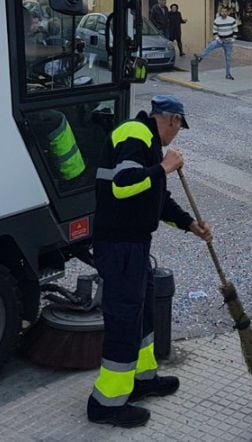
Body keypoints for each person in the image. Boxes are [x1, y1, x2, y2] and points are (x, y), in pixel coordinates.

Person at [88, 95, 212, 428]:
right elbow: (123, 186)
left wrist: (190, 225)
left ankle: (142, 380)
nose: (176, 136)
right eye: (178, 128)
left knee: (141, 315)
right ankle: (106, 403)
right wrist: (165, 167)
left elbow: (157, 199)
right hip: (119, 247)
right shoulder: (135, 133)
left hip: (134, 246)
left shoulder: (147, 144)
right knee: (125, 320)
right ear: (171, 120)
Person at [196, 6, 239, 80]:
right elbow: (215, 32)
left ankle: (228, 74)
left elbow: (235, 30)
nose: (224, 13)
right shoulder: (217, 21)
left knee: (228, 58)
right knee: (210, 46)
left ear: (228, 12)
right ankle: (200, 57)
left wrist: (233, 39)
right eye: (222, 11)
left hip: (228, 41)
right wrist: (217, 39)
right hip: (220, 39)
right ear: (220, 12)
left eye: (225, 11)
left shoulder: (232, 20)